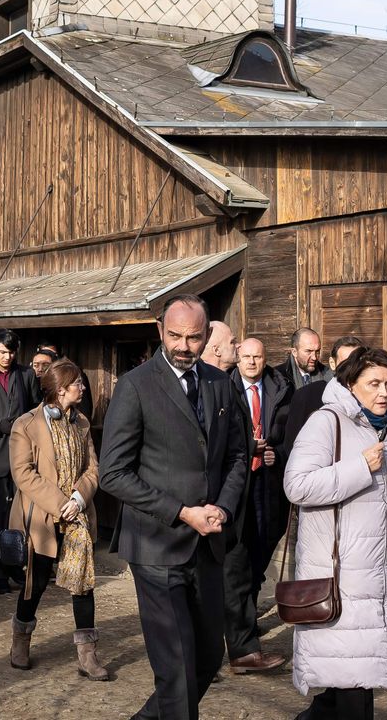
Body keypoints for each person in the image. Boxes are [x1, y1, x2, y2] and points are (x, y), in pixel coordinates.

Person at [98, 294, 248, 720]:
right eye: (176, 335)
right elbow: (113, 473)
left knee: (206, 660)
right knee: (176, 669)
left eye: (195, 337)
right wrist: (182, 512)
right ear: (160, 331)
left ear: (207, 335)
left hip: (209, 544)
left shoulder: (220, 382)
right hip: (156, 544)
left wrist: (223, 506)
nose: (184, 345)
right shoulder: (135, 386)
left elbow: (237, 455)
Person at [283, 346, 387, 719]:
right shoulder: (326, 422)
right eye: (374, 384)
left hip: (381, 579)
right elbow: (297, 485)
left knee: (353, 680)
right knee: (353, 683)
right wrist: (358, 467)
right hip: (341, 578)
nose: (384, 392)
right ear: (350, 384)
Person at [7, 358, 110, 680]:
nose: (83, 386)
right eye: (77, 382)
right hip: (42, 517)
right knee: (35, 584)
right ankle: (21, 640)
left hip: (76, 515)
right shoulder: (26, 424)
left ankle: (87, 656)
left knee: (83, 585)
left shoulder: (80, 423)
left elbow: (95, 467)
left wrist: (78, 499)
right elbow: (23, 473)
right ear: (61, 389)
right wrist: (60, 502)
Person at [224, 336, 292, 674]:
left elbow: (292, 438)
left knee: (258, 559)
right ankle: (244, 649)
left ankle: (243, 625)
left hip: (268, 486)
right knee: (236, 566)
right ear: (237, 357)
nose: (252, 362)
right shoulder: (223, 387)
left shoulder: (281, 389)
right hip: (236, 488)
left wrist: (274, 453)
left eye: (258, 356)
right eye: (246, 356)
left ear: (266, 358)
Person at [0, 329, 38, 594]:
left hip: (23, 457)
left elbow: (37, 410)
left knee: (22, 518)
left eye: (12, 352)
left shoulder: (26, 375)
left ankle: (17, 566)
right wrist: (0, 425)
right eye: (3, 351)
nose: (7, 357)